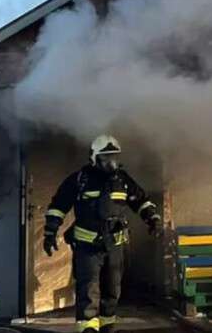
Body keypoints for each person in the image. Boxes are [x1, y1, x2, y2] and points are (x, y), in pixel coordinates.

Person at [44, 134, 163, 333]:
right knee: (89, 291)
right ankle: (88, 329)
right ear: (94, 158)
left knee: (112, 290)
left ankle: (108, 327)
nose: (111, 163)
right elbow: (58, 206)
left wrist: (153, 219)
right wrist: (49, 232)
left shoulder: (122, 180)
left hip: (115, 246)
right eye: (106, 158)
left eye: (114, 158)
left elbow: (141, 201)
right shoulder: (80, 180)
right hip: (88, 248)